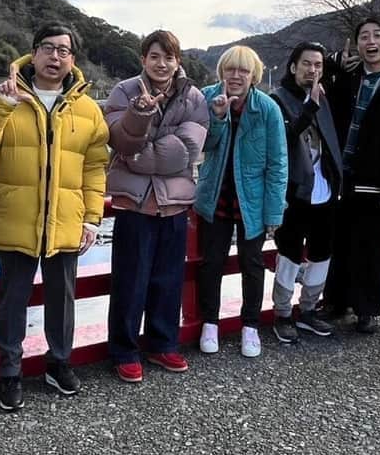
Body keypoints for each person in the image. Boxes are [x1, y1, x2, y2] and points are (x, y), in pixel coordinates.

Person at [0, 23, 109, 411]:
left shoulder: (87, 109)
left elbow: (94, 167)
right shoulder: (1, 97)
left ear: (73, 59)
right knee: (12, 299)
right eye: (48, 48)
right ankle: (9, 372)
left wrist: (91, 218)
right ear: (33, 52)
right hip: (16, 214)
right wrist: (1, 108)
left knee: (63, 297)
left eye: (64, 51)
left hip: (66, 218)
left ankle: (59, 363)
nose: (55, 57)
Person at [104, 30, 208, 382]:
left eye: (168, 57)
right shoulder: (124, 92)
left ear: (178, 61)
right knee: (129, 280)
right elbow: (120, 141)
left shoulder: (193, 97)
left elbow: (188, 150)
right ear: (143, 59)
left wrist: (143, 148)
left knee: (169, 278)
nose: (161, 64)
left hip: (175, 203)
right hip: (135, 204)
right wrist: (139, 115)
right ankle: (124, 350)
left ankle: (163, 344)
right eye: (154, 56)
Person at [320, 15, 380, 334]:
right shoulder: (348, 77)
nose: (371, 41)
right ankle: (335, 302)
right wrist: (334, 62)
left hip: (376, 181)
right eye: (364, 36)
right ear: (357, 44)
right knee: (338, 244)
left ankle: (367, 309)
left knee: (371, 248)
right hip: (340, 179)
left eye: (377, 35)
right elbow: (315, 80)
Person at [194, 46, 288, 357]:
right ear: (221, 71)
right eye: (230, 69)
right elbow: (201, 146)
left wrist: (274, 211)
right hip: (215, 195)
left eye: (243, 70)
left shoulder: (268, 108)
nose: (236, 76)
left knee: (253, 262)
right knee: (212, 262)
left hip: (253, 200)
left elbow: (278, 163)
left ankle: (250, 326)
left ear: (254, 75)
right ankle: (210, 323)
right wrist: (219, 116)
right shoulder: (206, 97)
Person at [267, 42, 343, 342]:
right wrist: (309, 107)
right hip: (295, 191)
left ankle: (309, 310)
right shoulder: (277, 99)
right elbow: (282, 139)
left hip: (325, 189)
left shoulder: (324, 96)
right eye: (306, 64)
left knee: (322, 253)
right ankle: (283, 313)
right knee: (289, 254)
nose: (313, 70)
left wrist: (336, 62)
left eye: (318, 65)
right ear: (293, 67)